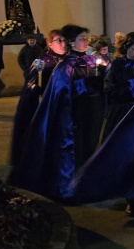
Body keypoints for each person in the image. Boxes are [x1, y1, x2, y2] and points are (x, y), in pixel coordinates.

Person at [9, 24, 106, 199]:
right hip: (68, 116)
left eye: (87, 38)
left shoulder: (88, 60)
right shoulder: (54, 64)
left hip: (89, 114)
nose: (86, 42)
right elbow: (49, 89)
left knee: (89, 147)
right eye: (81, 38)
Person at [10, 29, 68, 166]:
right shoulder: (42, 61)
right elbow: (31, 82)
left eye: (64, 40)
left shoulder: (69, 60)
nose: (62, 43)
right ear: (49, 43)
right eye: (58, 40)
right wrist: (37, 89)